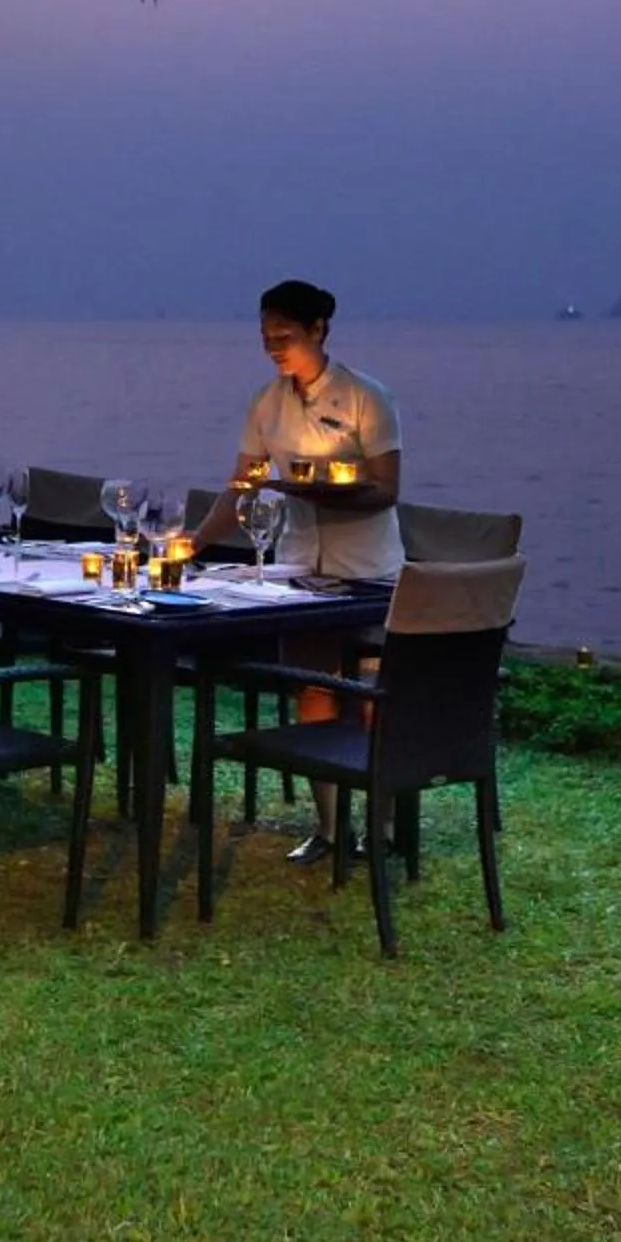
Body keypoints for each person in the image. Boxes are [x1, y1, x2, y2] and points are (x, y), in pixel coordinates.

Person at [193, 278, 403, 864]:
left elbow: (388, 490)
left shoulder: (366, 397)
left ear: (319, 330)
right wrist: (195, 543)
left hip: (369, 572)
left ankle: (382, 826)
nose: (274, 347)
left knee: (372, 697)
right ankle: (330, 826)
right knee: (312, 690)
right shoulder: (267, 403)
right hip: (301, 570)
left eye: (284, 336)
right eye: (266, 336)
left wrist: (326, 493)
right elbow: (243, 486)